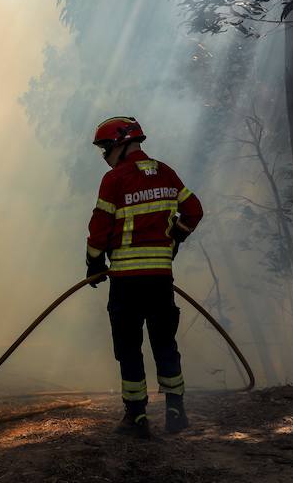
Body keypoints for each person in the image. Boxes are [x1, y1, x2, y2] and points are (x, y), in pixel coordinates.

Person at [85, 116, 203, 437]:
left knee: (129, 347)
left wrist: (94, 263)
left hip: (126, 282)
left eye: (106, 148)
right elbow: (194, 209)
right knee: (165, 344)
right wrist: (176, 237)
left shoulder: (116, 179)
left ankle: (136, 417)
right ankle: (176, 411)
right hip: (160, 280)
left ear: (121, 145)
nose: (104, 156)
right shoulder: (166, 172)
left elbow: (100, 226)